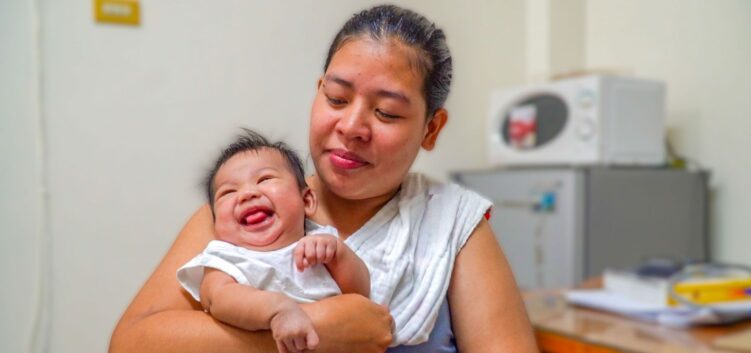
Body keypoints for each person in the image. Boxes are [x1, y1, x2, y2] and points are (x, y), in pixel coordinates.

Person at [110, 4, 537, 353]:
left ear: (431, 129)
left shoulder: (452, 224)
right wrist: (314, 330)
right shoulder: (241, 213)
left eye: (386, 112)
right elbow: (130, 344)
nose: (352, 126)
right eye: (336, 98)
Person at [175, 129, 370, 353]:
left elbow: (360, 295)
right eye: (228, 192)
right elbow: (218, 300)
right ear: (216, 224)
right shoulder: (225, 259)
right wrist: (276, 311)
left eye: (265, 179)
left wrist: (339, 255)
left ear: (306, 200)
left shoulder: (321, 242)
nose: (247, 194)